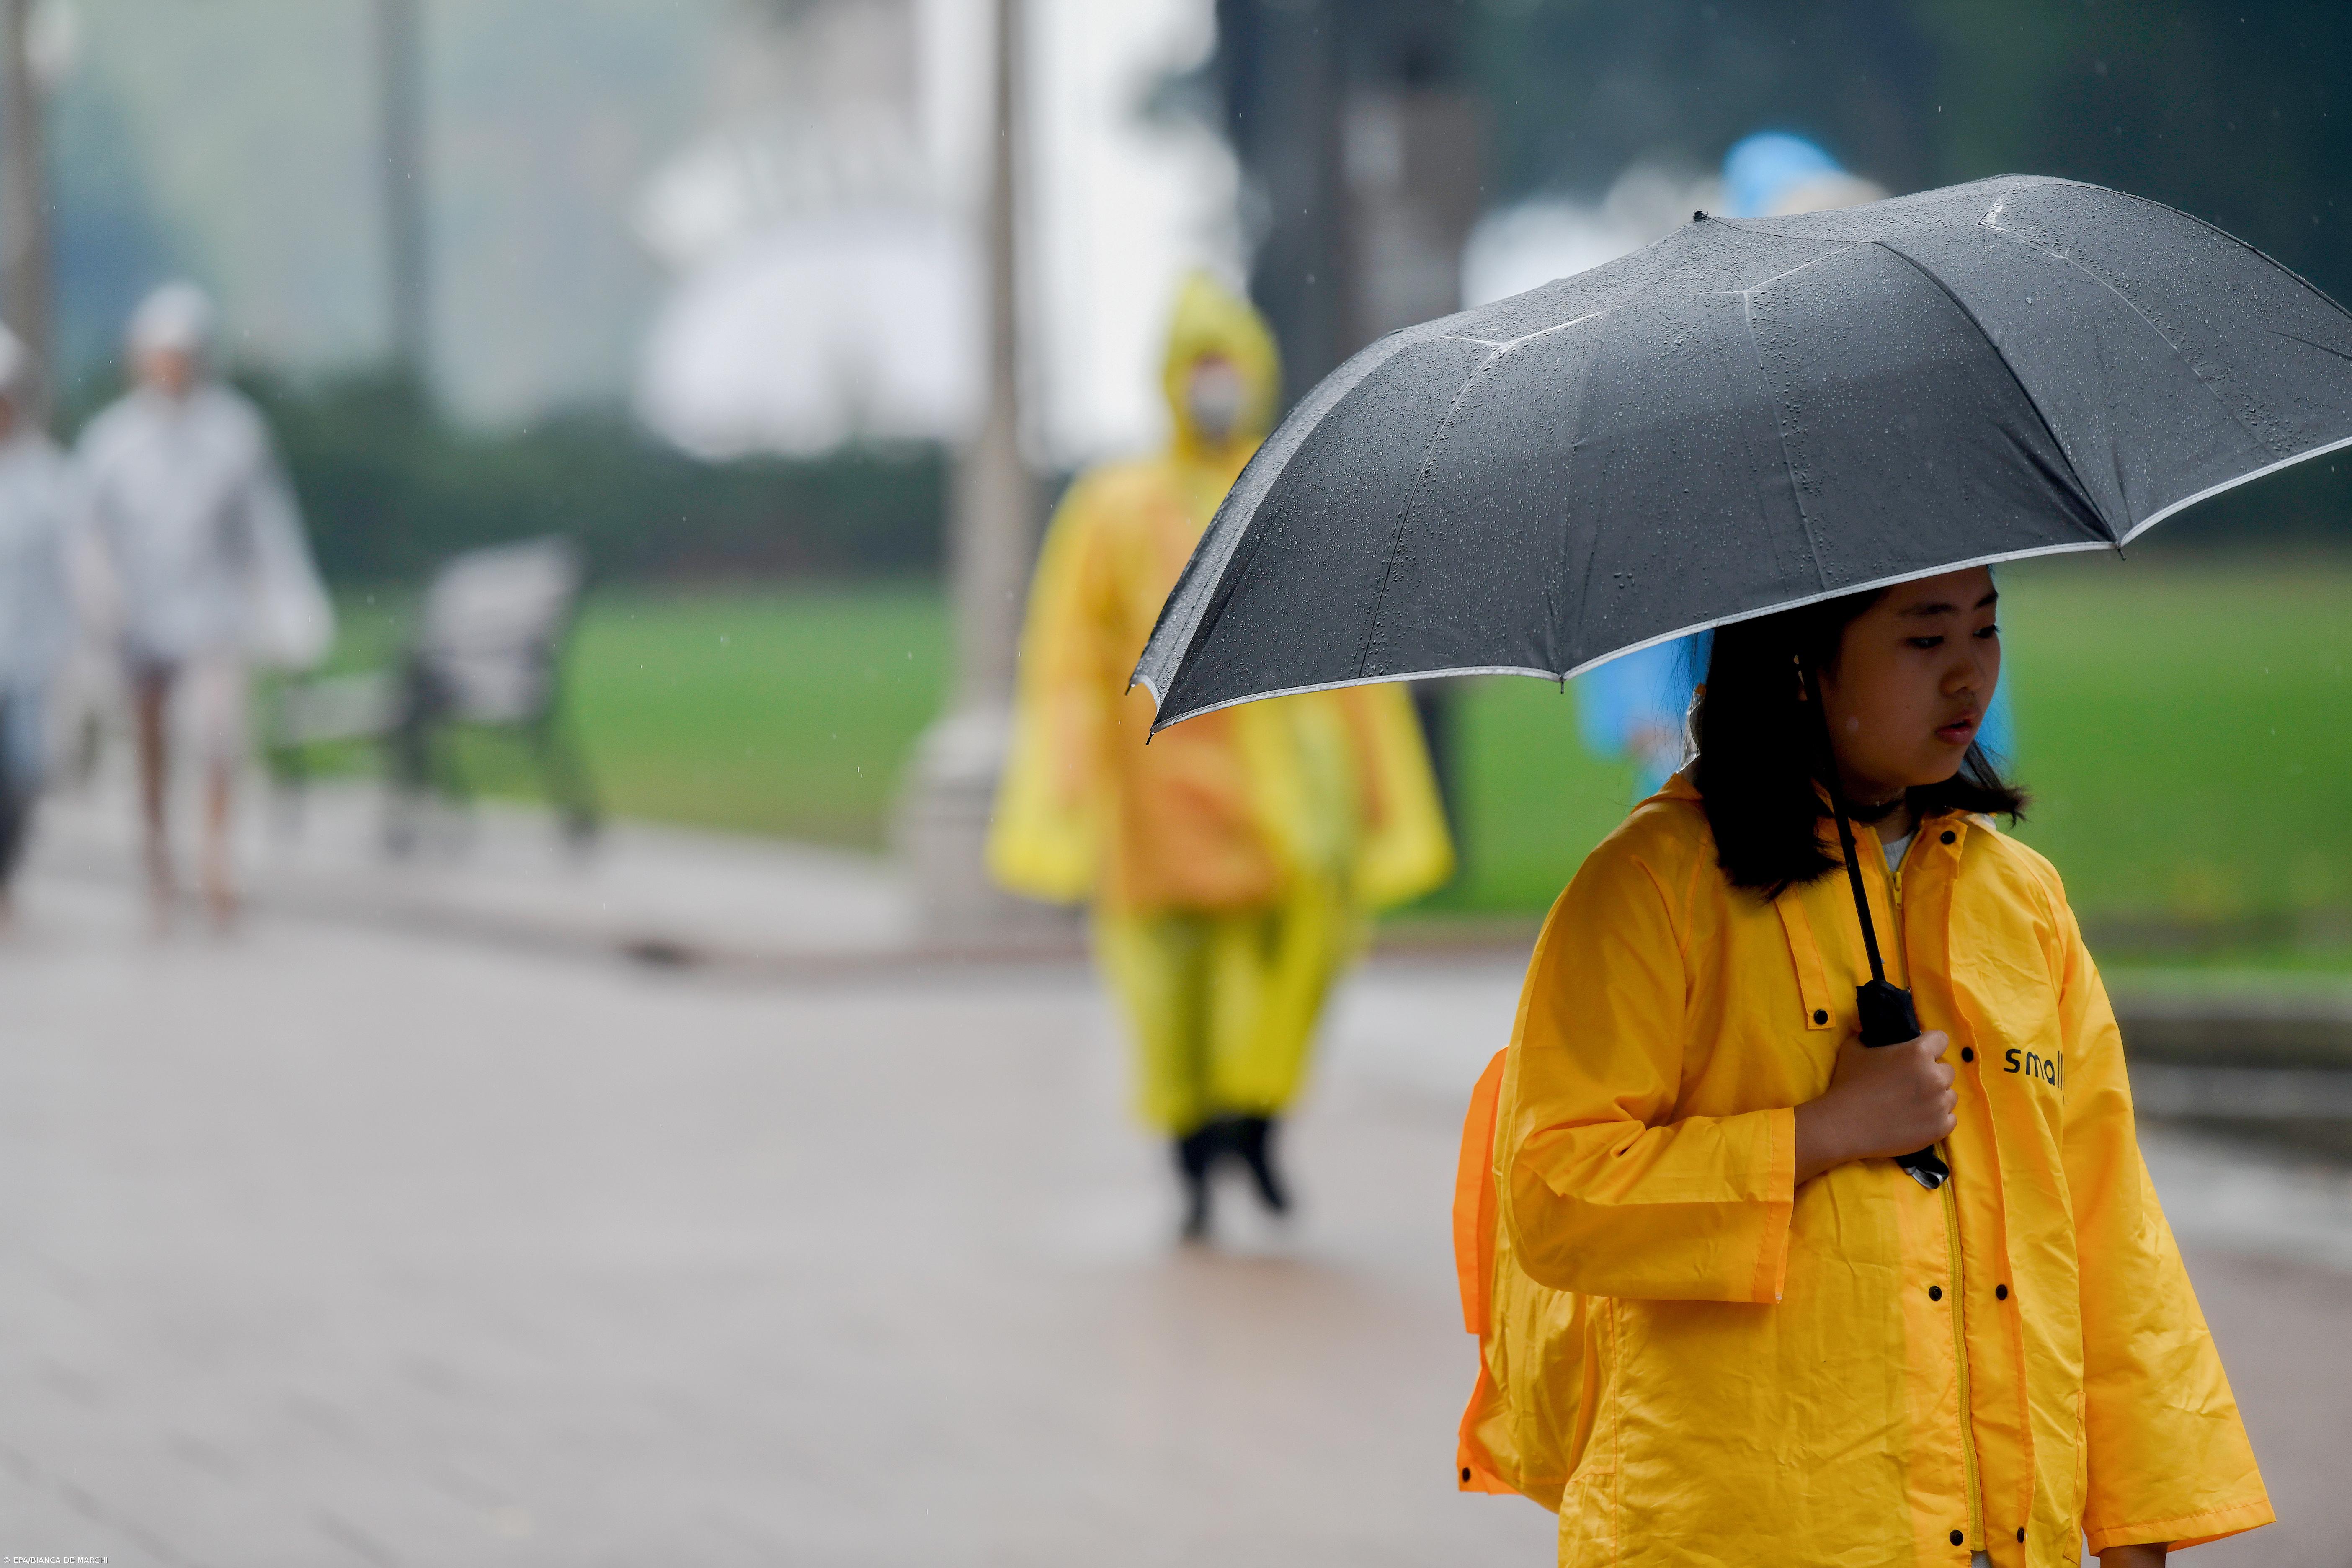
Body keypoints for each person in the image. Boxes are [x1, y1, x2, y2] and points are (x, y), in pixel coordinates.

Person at [1463, 567, 2269, 1563]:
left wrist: (2137, 1530)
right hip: (1734, 1533)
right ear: (1802, 669)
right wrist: (1823, 1131)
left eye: (1986, 629)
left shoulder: (2022, 904)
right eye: (1925, 641)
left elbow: (2111, 1237)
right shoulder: (1645, 893)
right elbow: (1555, 1196)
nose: (1971, 675)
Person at [990, 273, 1454, 1240]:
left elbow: (1345, 647)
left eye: (1226, 366)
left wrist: (1369, 777)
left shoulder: (1292, 490)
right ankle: (1195, 1155)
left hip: (1285, 796)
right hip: (1159, 794)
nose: (1215, 387)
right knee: (1170, 992)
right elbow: (1073, 652)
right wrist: (1073, 767)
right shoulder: (1117, 507)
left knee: (1293, 967)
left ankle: (1258, 1122)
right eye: (1198, 368)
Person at [79, 281, 330, 929]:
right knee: (152, 740)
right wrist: (100, 599)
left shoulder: (237, 433)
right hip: (140, 617)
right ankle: (158, 854)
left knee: (219, 739)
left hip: (213, 614)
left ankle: (216, 857)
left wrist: (291, 608)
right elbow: (86, 535)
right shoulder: (112, 441)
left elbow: (267, 532)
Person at [0, 325, 79, 922]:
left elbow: (76, 571)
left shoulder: (52, 479)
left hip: (29, 653)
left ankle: (9, 868)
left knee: (24, 772)